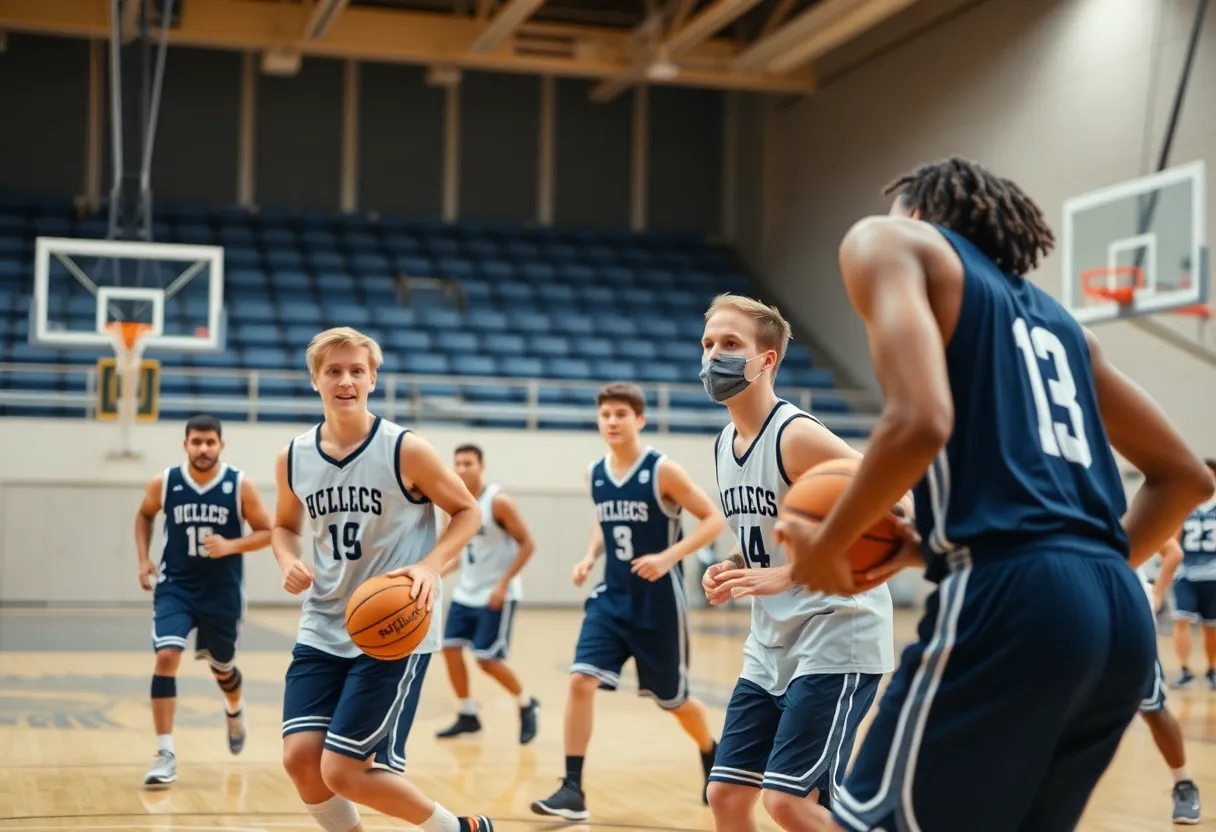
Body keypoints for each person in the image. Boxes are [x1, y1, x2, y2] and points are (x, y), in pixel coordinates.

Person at [774, 156, 1215, 832]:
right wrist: (1059, 572)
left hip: (1015, 600)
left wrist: (828, 544)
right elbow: (1187, 478)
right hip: (1119, 621)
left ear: (919, 214)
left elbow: (920, 421)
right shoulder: (1069, 328)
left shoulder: (887, 240)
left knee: (842, 821)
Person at [273, 327, 494, 832]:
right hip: (323, 622)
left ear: (373, 379)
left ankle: (459, 830)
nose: (345, 380)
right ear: (315, 381)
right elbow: (284, 526)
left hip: (394, 630)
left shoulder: (405, 449)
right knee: (301, 760)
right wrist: (287, 560)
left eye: (356, 371)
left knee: (343, 770)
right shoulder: (293, 457)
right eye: (333, 371)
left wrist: (428, 566)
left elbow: (466, 511)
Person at [697, 294, 895, 830]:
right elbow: (771, 533)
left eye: (731, 344)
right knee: (726, 796)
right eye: (709, 344)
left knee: (788, 802)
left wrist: (794, 571)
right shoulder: (722, 444)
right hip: (772, 640)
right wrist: (736, 564)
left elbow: (894, 505)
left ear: (768, 361)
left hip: (838, 631)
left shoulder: (796, 434)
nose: (715, 355)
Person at [530, 382, 726, 821]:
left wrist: (669, 556)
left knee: (673, 701)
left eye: (621, 414)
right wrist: (588, 557)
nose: (612, 421)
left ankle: (710, 750)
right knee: (581, 680)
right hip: (611, 598)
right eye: (605, 414)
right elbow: (603, 522)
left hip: (658, 604)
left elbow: (714, 519)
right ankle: (572, 789)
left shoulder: (663, 471)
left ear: (640, 419)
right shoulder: (595, 472)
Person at [134, 414, 273, 789]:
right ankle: (165, 753)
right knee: (166, 655)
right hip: (176, 586)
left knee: (222, 669)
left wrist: (232, 545)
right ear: (185, 445)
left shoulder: (239, 484)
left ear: (221, 445)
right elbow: (144, 516)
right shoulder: (164, 483)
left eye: (210, 442)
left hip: (222, 592)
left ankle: (234, 710)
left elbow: (268, 532)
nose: (203, 448)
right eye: (196, 441)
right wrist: (143, 558)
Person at [435, 443, 541, 744]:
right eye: (457, 463)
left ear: (481, 466)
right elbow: (453, 553)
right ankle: (467, 714)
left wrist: (503, 584)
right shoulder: (452, 505)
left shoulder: (498, 502)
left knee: (486, 660)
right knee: (450, 649)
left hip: (496, 593)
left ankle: (526, 702)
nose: (462, 468)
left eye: (468, 463)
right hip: (466, 592)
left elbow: (528, 544)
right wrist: (431, 574)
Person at [1134, 540, 1201, 824]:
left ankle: (1184, 784)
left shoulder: (1117, 506)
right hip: (1068, 613)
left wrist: (1157, 594)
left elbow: (1173, 551)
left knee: (1152, 707)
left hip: (1127, 609)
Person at [1170, 458, 1216, 689]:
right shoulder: (1184, 505)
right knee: (1181, 619)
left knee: (1212, 625)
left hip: (1213, 576)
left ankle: (1212, 670)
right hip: (1186, 574)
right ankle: (1185, 670)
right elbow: (1173, 540)